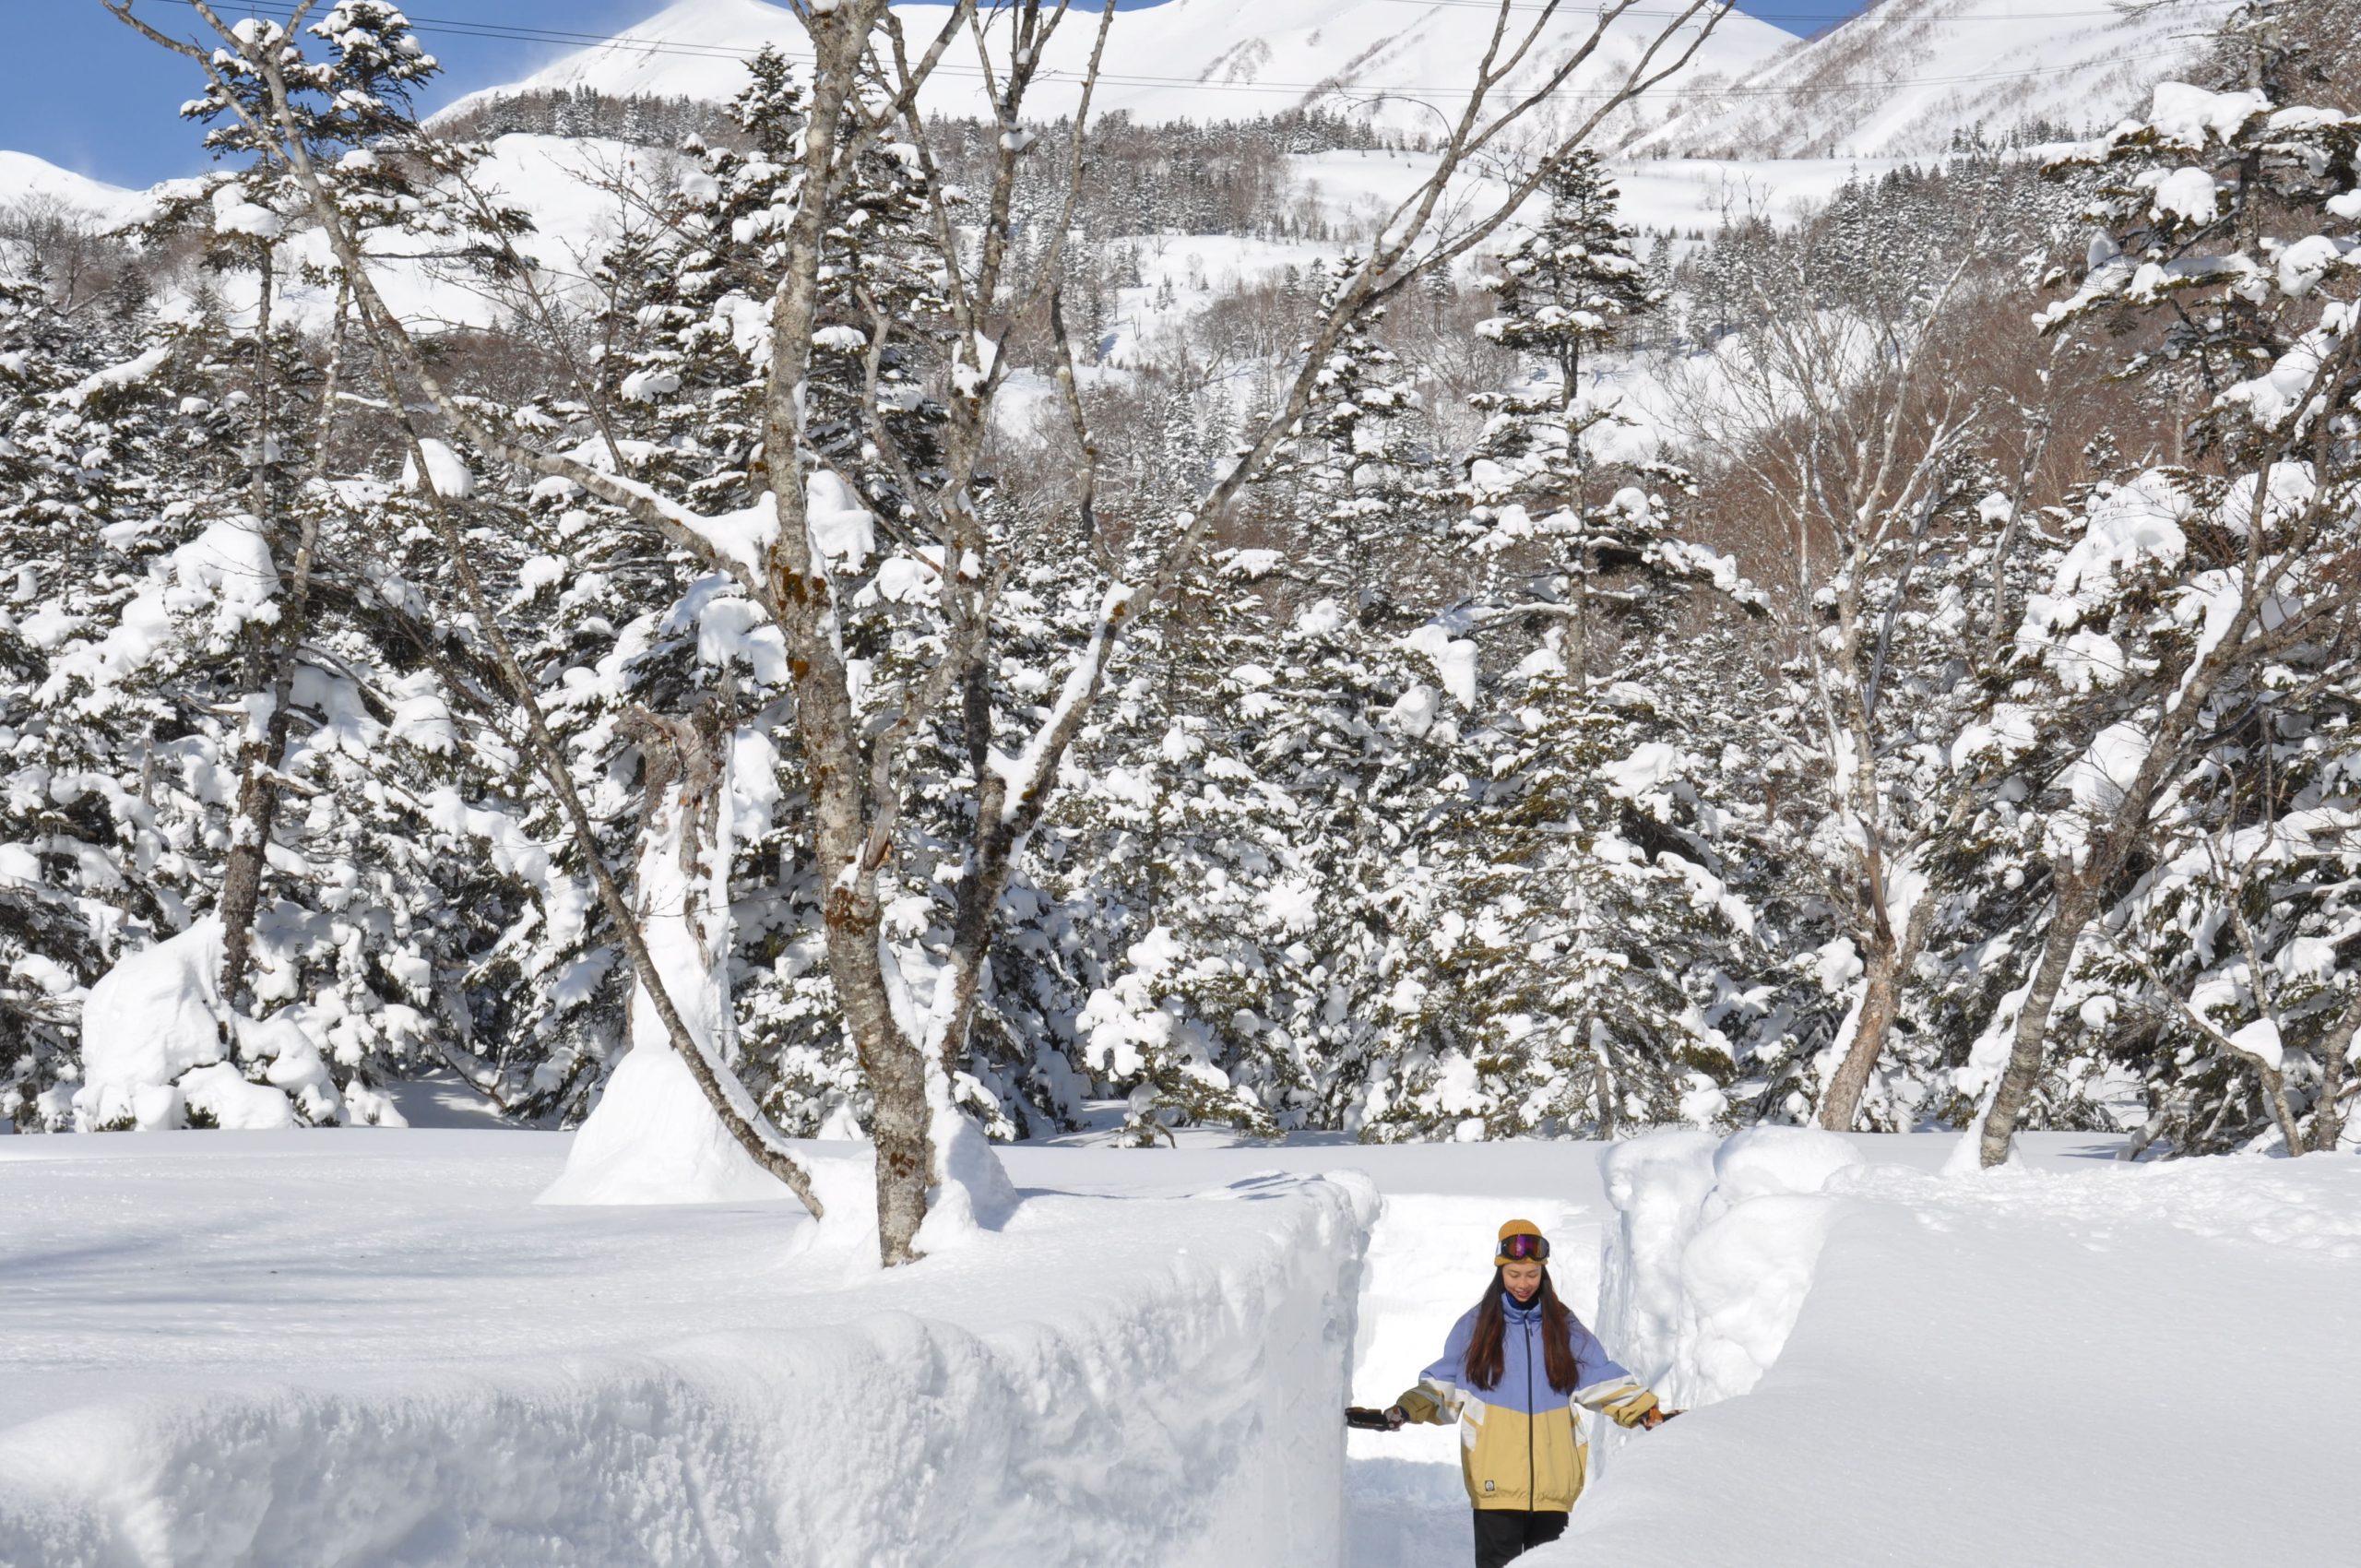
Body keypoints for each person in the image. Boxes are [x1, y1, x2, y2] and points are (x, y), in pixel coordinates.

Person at [1369, 1219, 1676, 1568]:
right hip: (1494, 1486)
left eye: (1531, 1274)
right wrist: (1405, 1410)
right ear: (1500, 1270)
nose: (1523, 1284)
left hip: (1554, 1489)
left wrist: (1646, 1411)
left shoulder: (1564, 1327)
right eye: (1514, 1274)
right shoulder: (1477, 1326)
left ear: (1543, 1272)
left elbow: (1602, 1379)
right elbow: (1444, 1385)